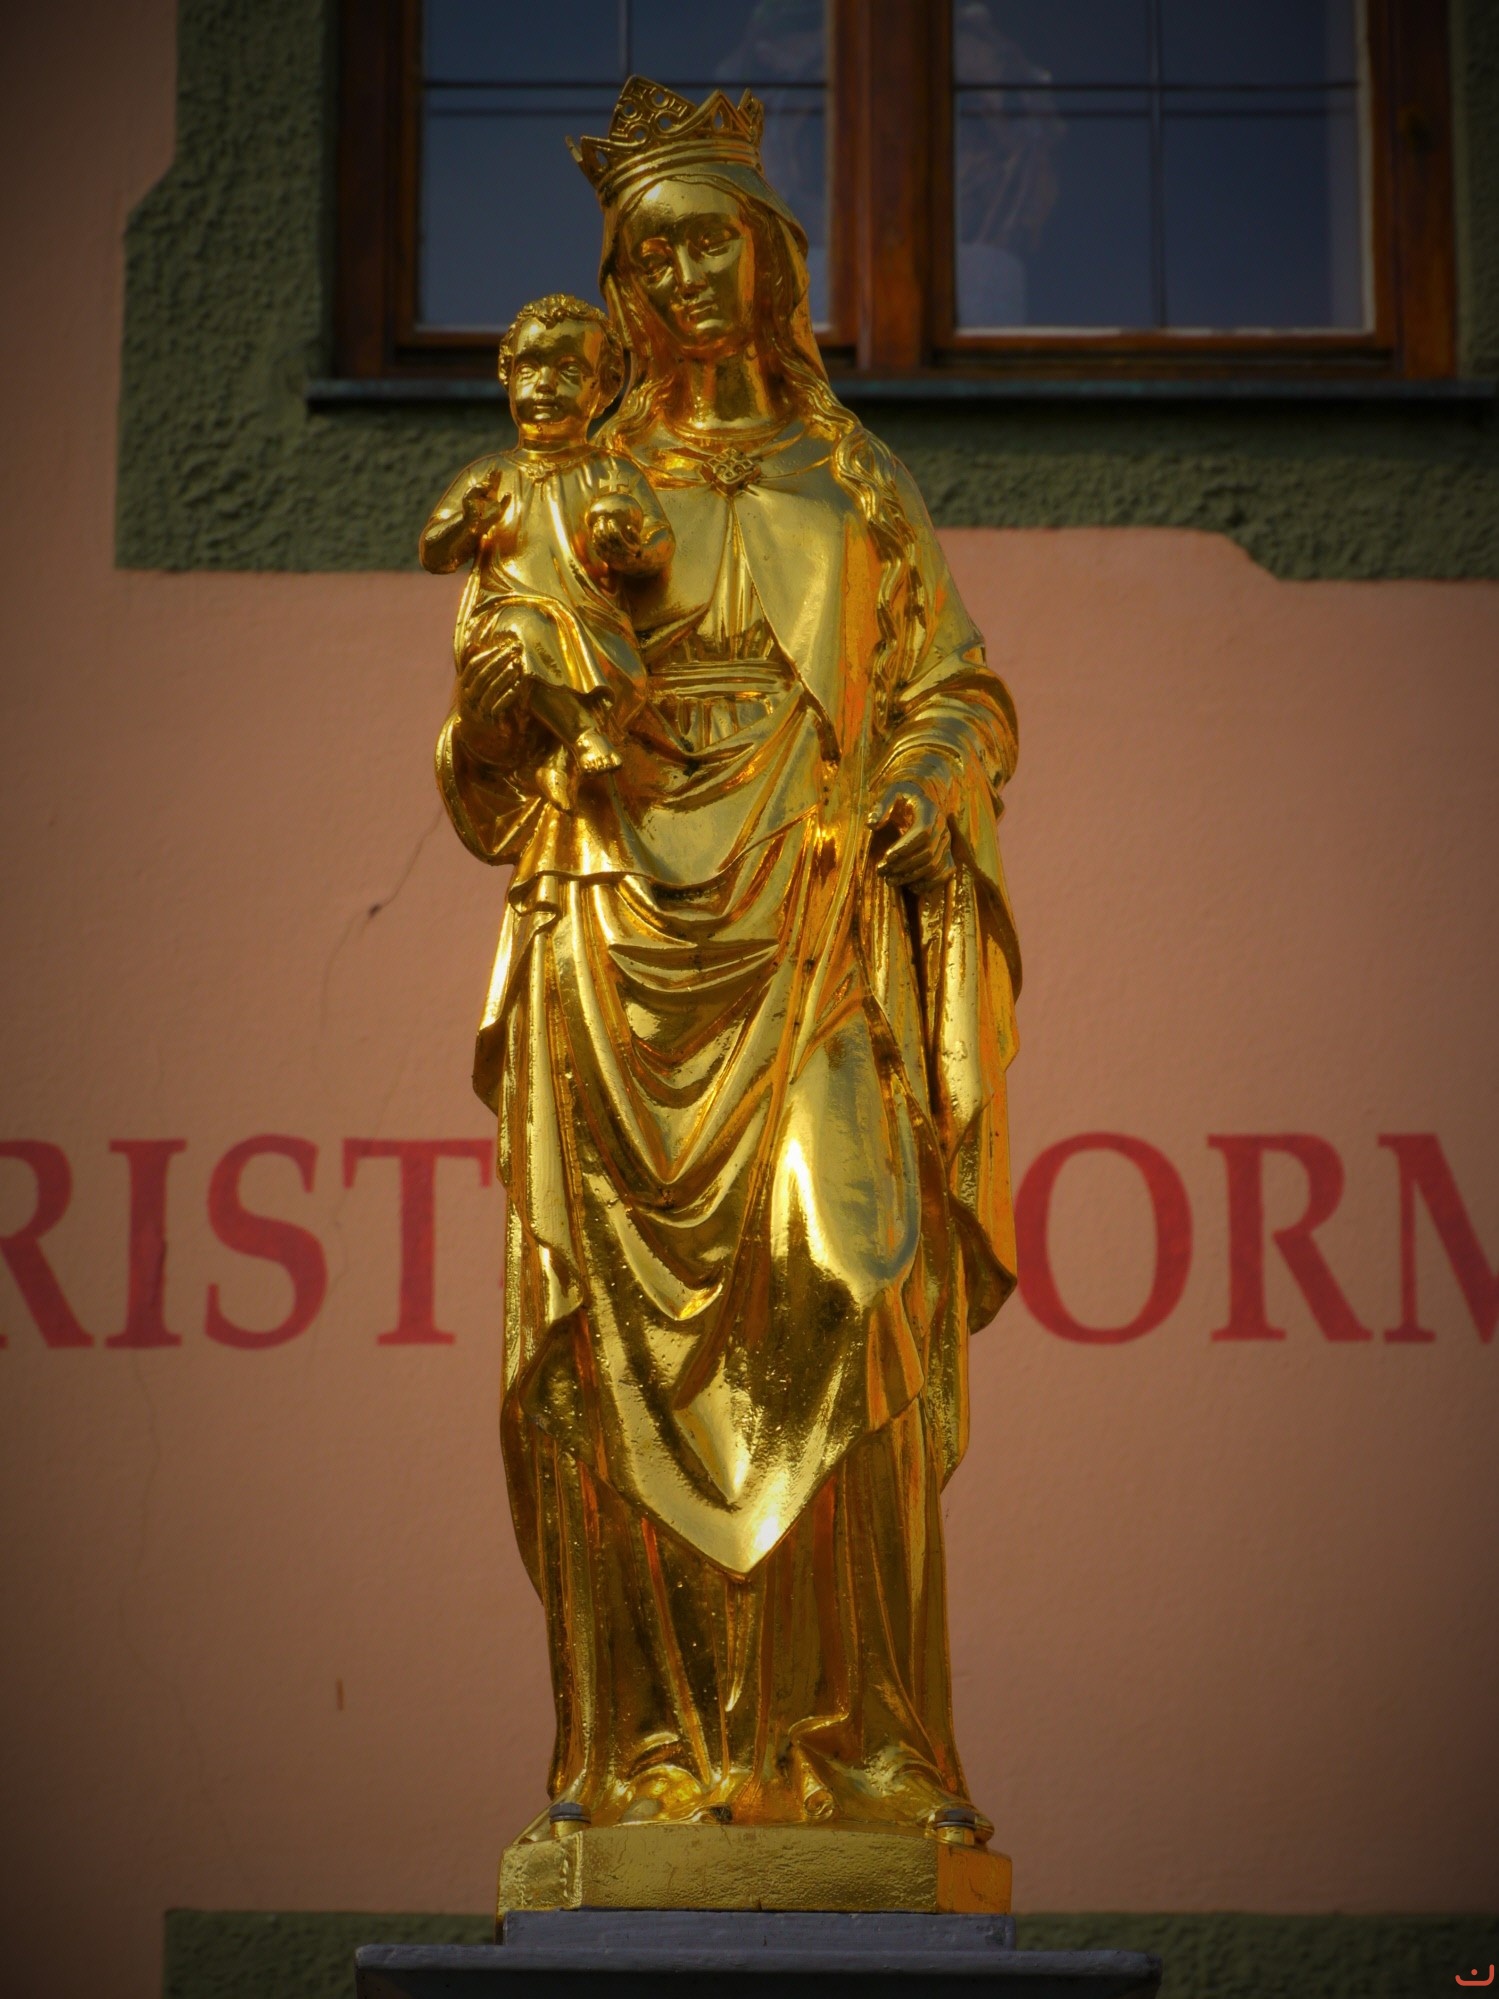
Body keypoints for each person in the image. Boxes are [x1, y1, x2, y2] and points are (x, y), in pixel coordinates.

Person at [436, 78, 1022, 1843]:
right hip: (616, 940)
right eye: (651, 256)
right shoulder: (575, 482)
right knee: (607, 1359)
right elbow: (482, 759)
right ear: (618, 289)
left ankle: (866, 1747)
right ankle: (643, 1758)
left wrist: (921, 781)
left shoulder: (855, 479)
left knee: (852, 1283)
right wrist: (509, 701)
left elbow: (957, 692)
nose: (684, 279)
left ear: (770, 262)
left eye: (711, 244)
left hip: (817, 926)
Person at [420, 294, 673, 811]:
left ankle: (560, 761)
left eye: (569, 371)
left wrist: (631, 550)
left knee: (629, 678)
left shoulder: (613, 473)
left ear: (603, 389)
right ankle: (581, 735)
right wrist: (468, 523)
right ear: (507, 376)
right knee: (525, 632)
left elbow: (660, 542)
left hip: (592, 623)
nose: (544, 385)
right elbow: (434, 553)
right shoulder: (490, 476)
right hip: (507, 619)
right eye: (529, 368)